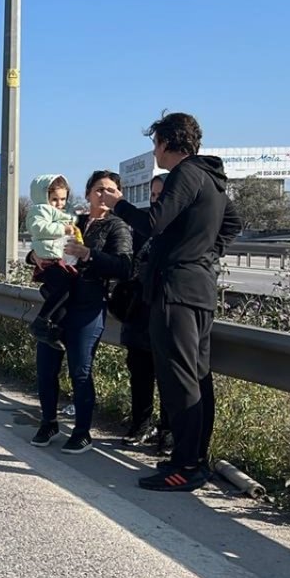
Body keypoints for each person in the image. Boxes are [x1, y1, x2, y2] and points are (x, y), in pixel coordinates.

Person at [104, 111, 242, 492]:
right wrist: (204, 255)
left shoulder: (185, 173)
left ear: (167, 142)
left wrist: (118, 205)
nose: (154, 152)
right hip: (200, 291)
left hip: (175, 291)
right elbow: (233, 224)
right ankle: (194, 457)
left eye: (155, 144)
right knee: (197, 376)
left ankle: (186, 466)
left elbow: (153, 222)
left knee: (179, 380)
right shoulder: (213, 180)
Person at [29, 171, 133, 454]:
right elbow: (42, 242)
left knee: (80, 370)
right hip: (58, 305)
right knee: (45, 367)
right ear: (87, 193)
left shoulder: (117, 227)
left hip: (88, 307)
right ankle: (48, 421)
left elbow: (124, 266)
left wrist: (89, 255)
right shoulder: (71, 219)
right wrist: (32, 256)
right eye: (98, 189)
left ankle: (82, 431)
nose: (103, 195)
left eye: (110, 190)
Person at [119, 174, 169, 450]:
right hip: (140, 309)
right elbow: (128, 261)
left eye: (161, 195)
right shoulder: (142, 225)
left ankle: (168, 429)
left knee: (168, 375)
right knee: (139, 370)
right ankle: (141, 424)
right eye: (153, 195)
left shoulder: (180, 226)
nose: (156, 200)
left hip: (168, 309)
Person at [26, 175, 81, 348]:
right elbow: (38, 228)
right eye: (54, 199)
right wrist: (63, 228)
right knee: (64, 289)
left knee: (65, 291)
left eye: (63, 199)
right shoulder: (39, 210)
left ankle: (53, 330)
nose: (59, 203)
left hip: (61, 257)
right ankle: (40, 322)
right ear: (45, 198)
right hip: (49, 258)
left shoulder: (68, 212)